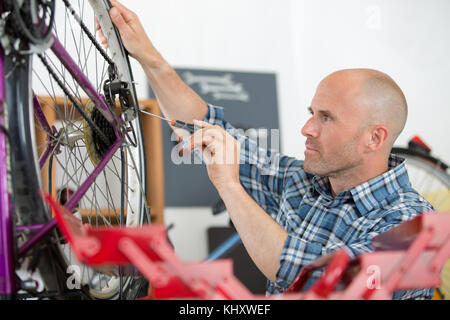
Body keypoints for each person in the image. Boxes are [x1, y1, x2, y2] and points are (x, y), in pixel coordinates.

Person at [101, 0, 435, 299]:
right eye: (310, 114)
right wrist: (148, 56)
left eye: (326, 118)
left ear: (374, 139)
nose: (307, 128)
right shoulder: (303, 181)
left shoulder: (415, 228)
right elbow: (202, 126)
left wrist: (230, 187)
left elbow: (317, 282)